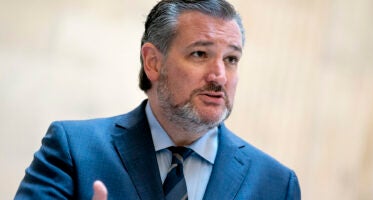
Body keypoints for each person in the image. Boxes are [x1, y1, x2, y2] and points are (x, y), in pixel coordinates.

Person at [15, 0, 301, 199]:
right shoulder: (74, 150)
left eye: (231, 59)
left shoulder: (275, 183)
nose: (219, 76)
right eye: (200, 54)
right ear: (153, 62)